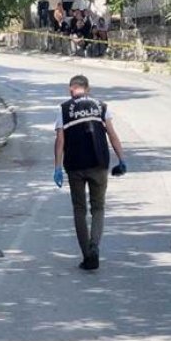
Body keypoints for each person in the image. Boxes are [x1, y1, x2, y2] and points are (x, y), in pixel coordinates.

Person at [53, 75, 127, 270]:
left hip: (75, 165)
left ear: (71, 89)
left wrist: (57, 167)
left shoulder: (63, 109)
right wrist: (121, 159)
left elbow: (60, 141)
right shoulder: (101, 106)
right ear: (88, 89)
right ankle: (94, 246)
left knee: (79, 209)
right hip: (99, 163)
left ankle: (87, 255)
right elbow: (111, 133)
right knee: (98, 208)